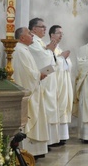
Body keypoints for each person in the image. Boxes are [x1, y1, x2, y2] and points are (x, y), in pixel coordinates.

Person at [12, 27, 50, 158]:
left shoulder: (24, 49)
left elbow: (29, 71)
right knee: (30, 118)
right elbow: (25, 73)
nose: (32, 35)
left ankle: (36, 151)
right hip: (28, 91)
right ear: (22, 37)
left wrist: (38, 74)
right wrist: (38, 75)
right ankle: (30, 152)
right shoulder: (19, 50)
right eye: (29, 33)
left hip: (33, 88)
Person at [28, 18, 59, 146]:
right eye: (42, 27)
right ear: (34, 29)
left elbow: (48, 60)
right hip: (37, 81)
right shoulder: (33, 41)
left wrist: (48, 51)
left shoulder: (39, 42)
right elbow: (41, 58)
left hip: (44, 80)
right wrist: (49, 51)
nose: (45, 29)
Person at [48, 24, 72, 145]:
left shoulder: (59, 50)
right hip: (55, 84)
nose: (61, 35)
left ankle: (62, 136)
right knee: (55, 107)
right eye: (58, 33)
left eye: (62, 33)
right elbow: (51, 65)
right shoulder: (47, 49)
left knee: (63, 107)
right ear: (52, 35)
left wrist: (63, 58)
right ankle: (54, 138)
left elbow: (67, 66)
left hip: (63, 84)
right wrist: (62, 58)